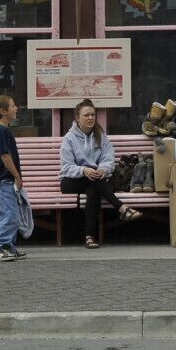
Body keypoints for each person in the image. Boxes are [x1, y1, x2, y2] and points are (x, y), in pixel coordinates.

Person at [59, 98, 126, 248]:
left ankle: (89, 237)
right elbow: (66, 167)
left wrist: (103, 169)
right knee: (95, 183)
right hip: (71, 181)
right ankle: (120, 207)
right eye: (86, 115)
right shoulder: (69, 139)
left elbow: (109, 160)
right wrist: (84, 170)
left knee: (93, 189)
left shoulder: (101, 136)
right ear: (77, 118)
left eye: (93, 115)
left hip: (95, 180)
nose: (90, 118)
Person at [0, 93, 28, 261]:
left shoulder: (2, 130)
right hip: (5, 179)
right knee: (9, 214)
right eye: (13, 105)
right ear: (3, 111)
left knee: (10, 214)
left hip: (5, 180)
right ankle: (1, 247)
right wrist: (17, 176)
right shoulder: (1, 131)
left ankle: (9, 246)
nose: (16, 108)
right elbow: (5, 156)